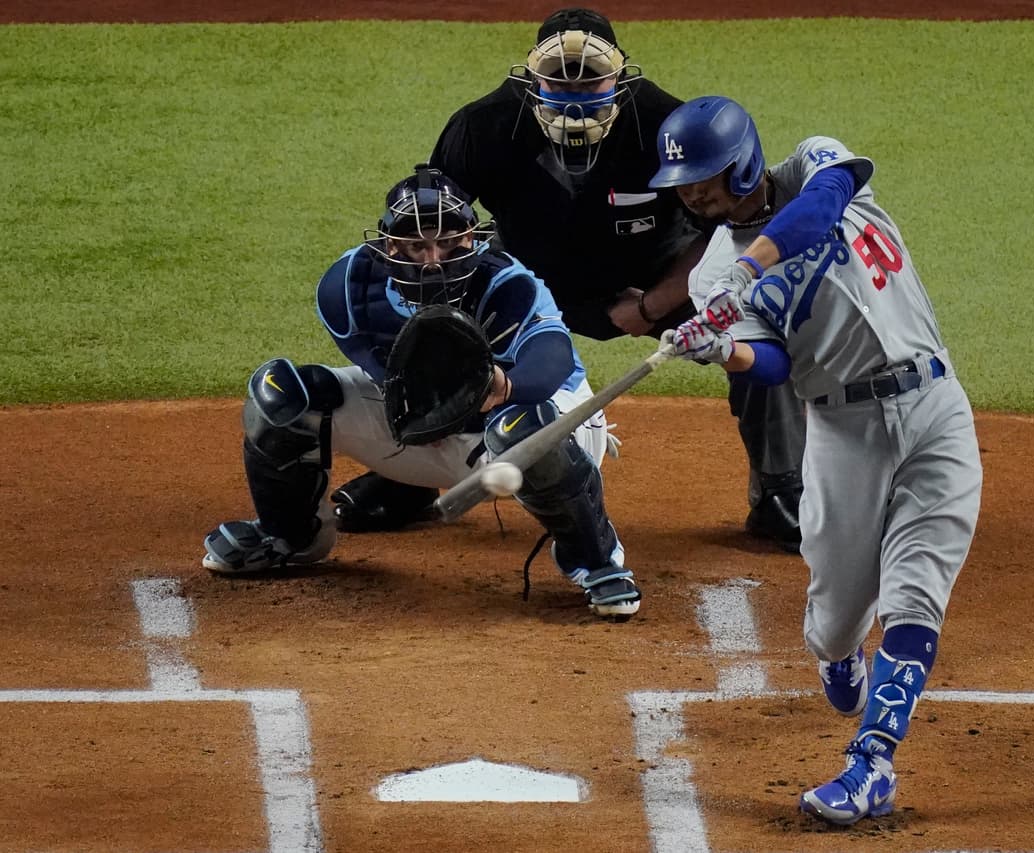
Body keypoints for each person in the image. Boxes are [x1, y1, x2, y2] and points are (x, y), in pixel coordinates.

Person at [329, 7, 807, 552]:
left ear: (620, 75)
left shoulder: (661, 123)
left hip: (654, 277)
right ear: (531, 77)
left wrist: (652, 306)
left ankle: (779, 491)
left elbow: (720, 230)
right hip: (522, 281)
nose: (573, 89)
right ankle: (409, 480)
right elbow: (440, 225)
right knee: (444, 338)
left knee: (752, 332)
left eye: (590, 75)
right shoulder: (482, 127)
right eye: (558, 76)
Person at [649, 96, 983, 824]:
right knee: (834, 621)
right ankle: (838, 654)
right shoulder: (710, 278)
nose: (693, 193)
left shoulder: (814, 163)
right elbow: (769, 365)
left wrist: (751, 270)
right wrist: (723, 348)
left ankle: (872, 762)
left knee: (915, 592)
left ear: (741, 158)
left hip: (936, 409)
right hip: (843, 434)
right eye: (682, 183)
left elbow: (821, 210)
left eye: (704, 176)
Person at [200, 166, 642, 622]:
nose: (434, 259)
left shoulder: (508, 283)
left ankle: (596, 559)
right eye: (417, 245)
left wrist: (502, 386)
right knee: (279, 394)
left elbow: (552, 359)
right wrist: (416, 406)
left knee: (521, 427)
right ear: (389, 246)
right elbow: (373, 363)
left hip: (539, 430)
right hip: (423, 437)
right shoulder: (350, 286)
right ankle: (289, 536)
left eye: (450, 242)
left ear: (473, 238)